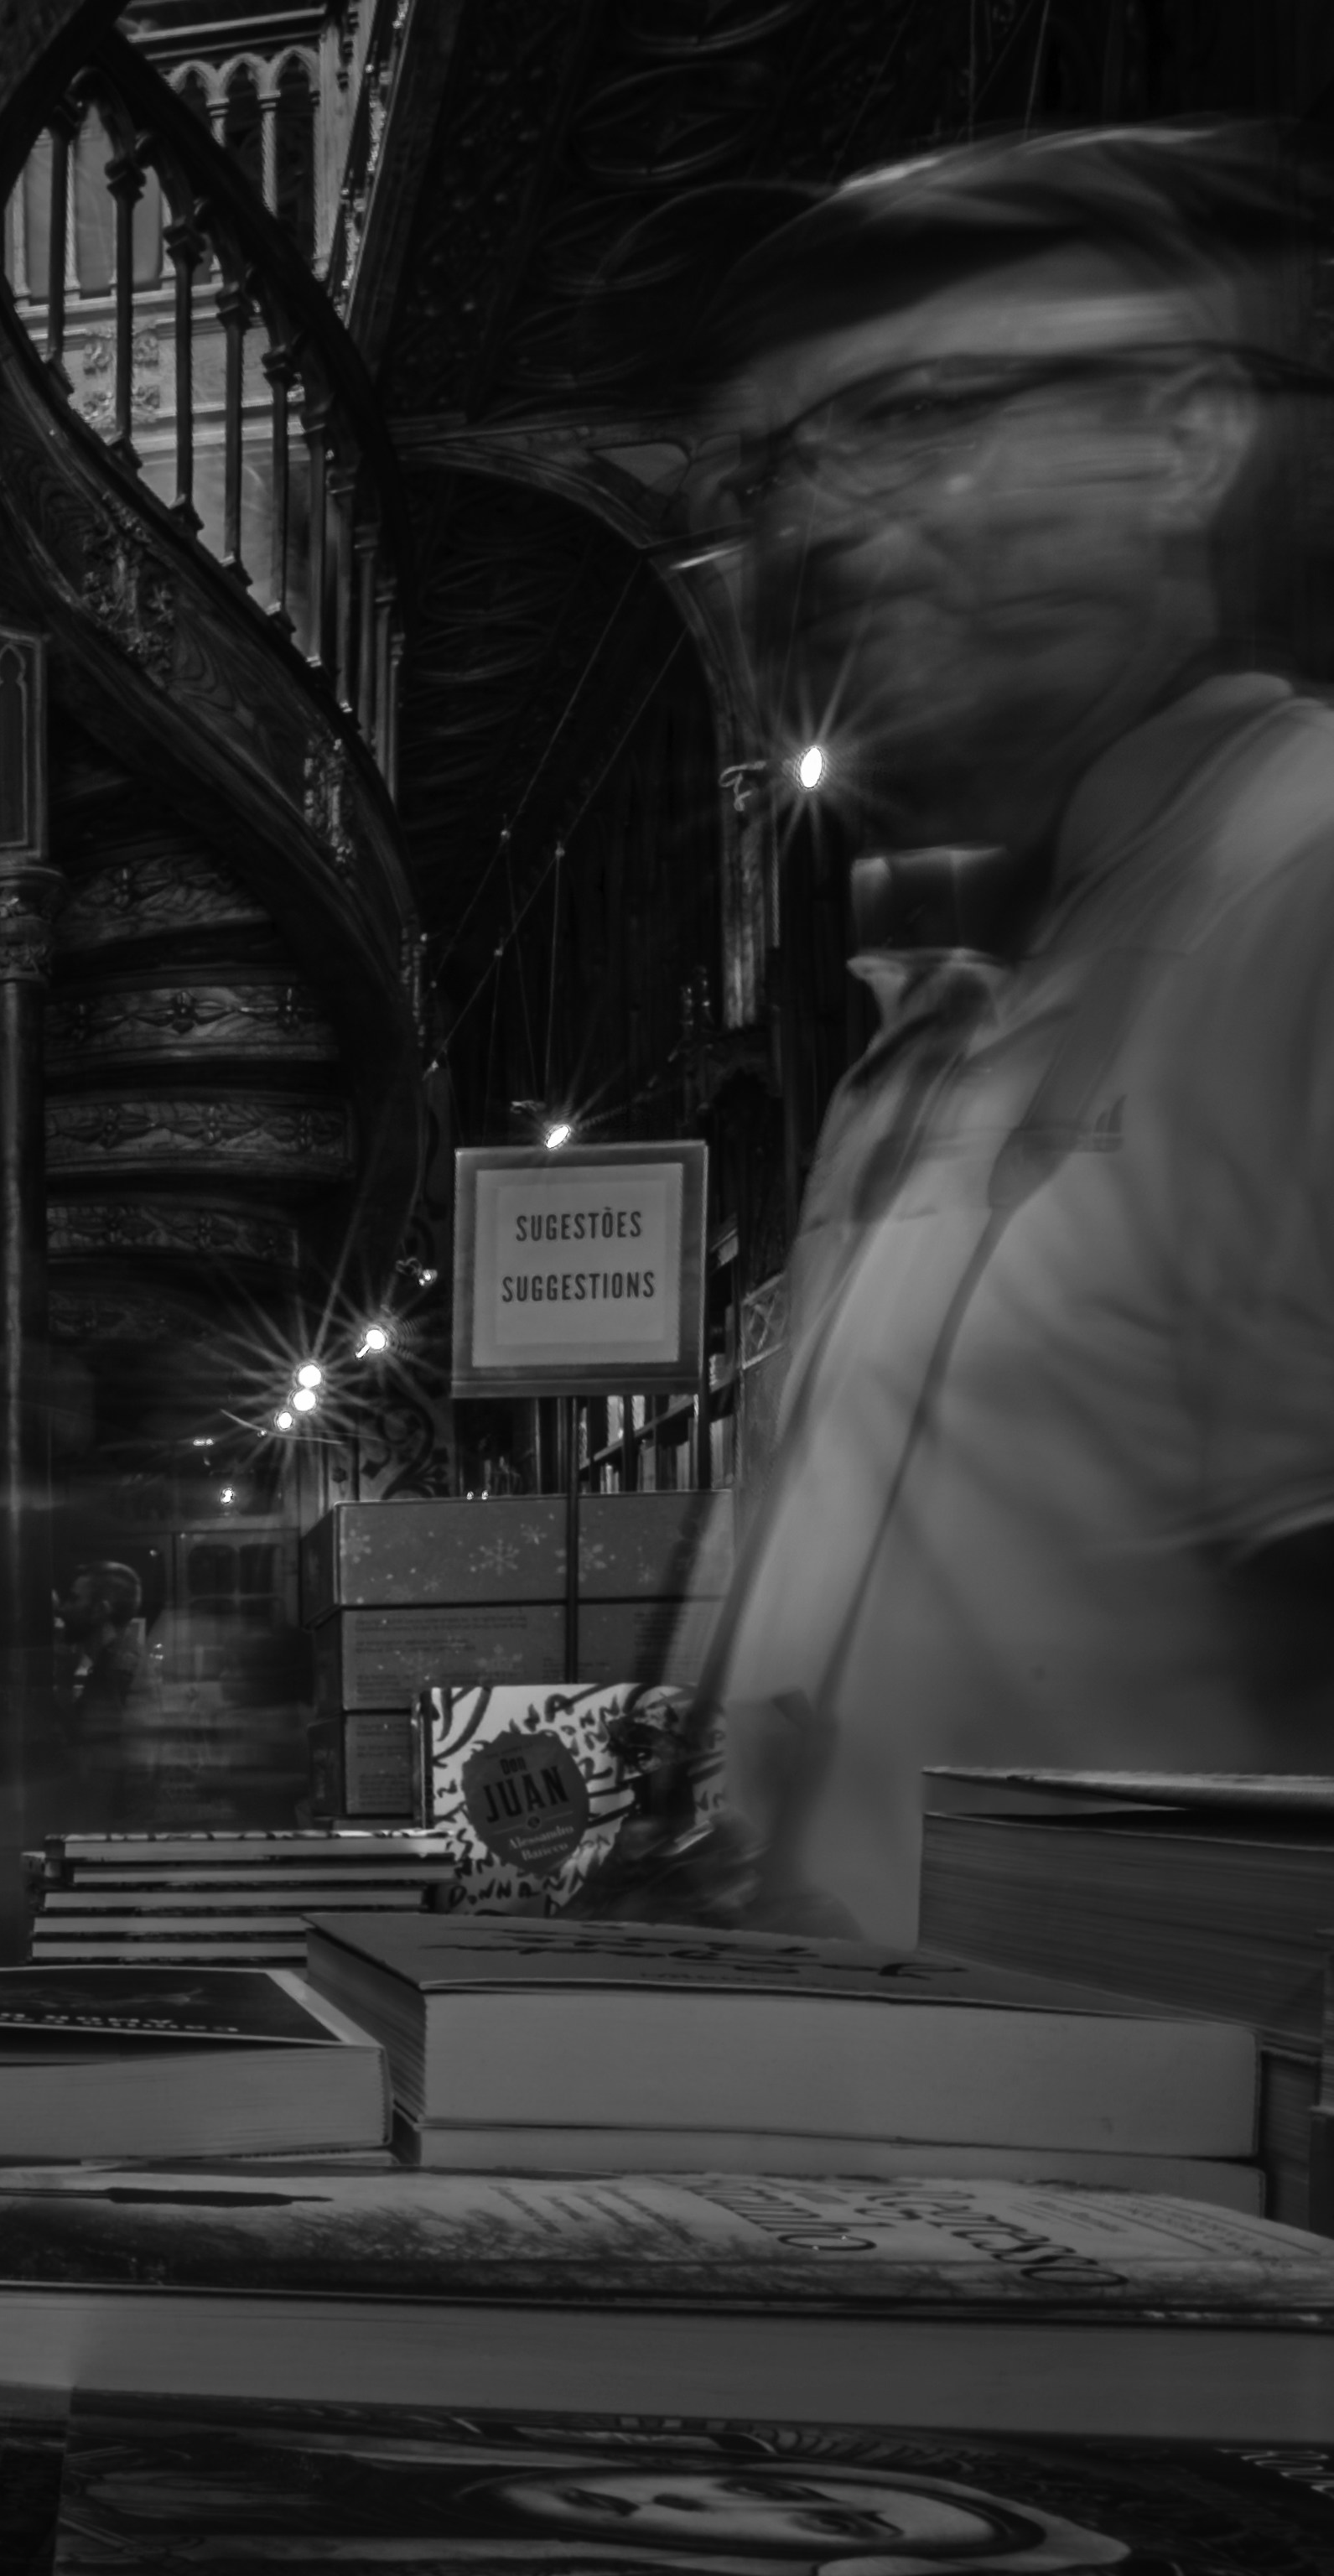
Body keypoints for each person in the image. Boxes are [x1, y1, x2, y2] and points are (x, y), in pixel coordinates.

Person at [695, 126, 1334, 1940]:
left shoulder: (1294, 899)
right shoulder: (929, 1048)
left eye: (923, 417)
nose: (831, 523)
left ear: (1183, 435)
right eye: (787, 466)